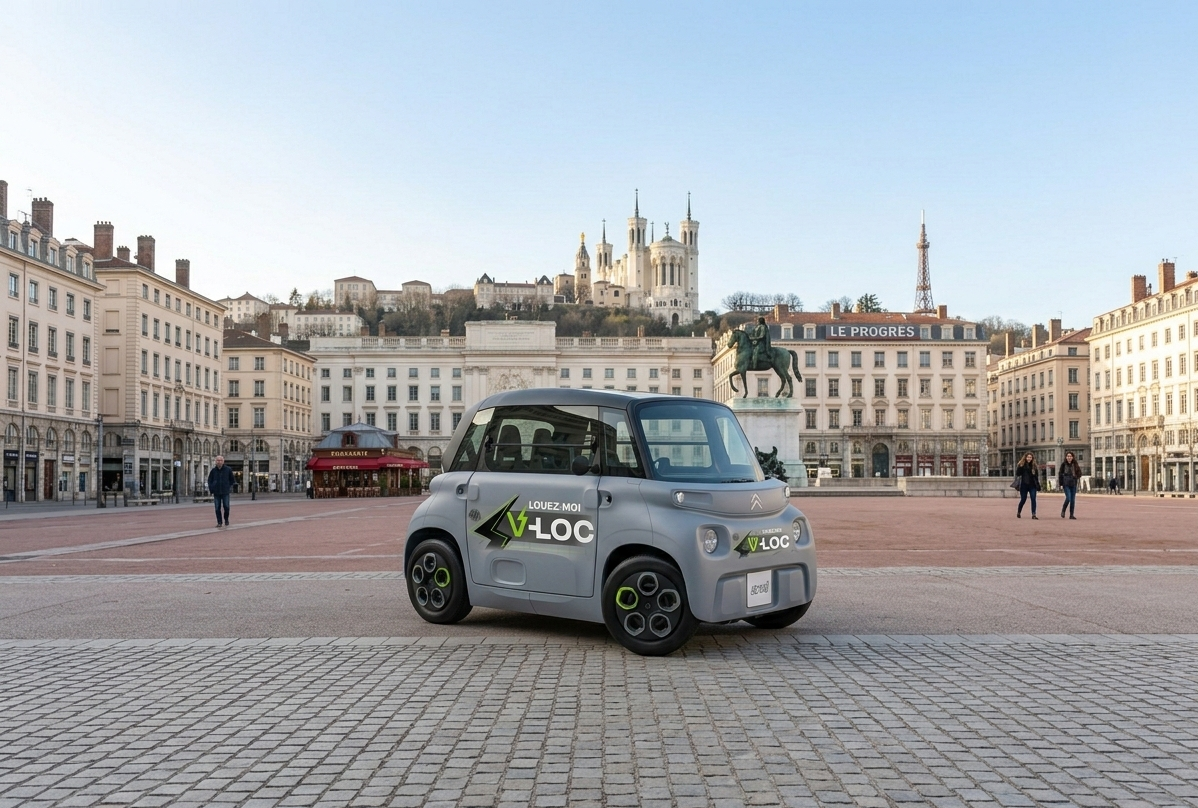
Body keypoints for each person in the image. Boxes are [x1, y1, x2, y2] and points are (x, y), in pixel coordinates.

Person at [208, 455, 235, 528]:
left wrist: (228, 486)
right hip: (216, 492)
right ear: (215, 461)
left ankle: (226, 519)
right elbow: (210, 480)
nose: (219, 462)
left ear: (223, 461)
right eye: (218, 460)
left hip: (225, 491)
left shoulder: (228, 469)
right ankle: (219, 522)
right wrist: (212, 488)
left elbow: (232, 479)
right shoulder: (213, 471)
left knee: (226, 507)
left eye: (220, 460)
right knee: (217, 508)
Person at [1014, 452, 1040, 519]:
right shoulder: (1022, 465)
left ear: (1032, 458)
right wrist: (1020, 466)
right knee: (1023, 499)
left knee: (1033, 499)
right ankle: (1019, 512)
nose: (1029, 459)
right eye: (1028, 457)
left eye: (1030, 457)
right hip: (1024, 485)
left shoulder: (1034, 466)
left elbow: (1036, 477)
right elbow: (1018, 474)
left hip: (1032, 485)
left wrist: (1038, 485)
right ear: (1025, 458)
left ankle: (1033, 514)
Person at [1059, 451, 1081, 519]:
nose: (1069, 457)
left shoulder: (1075, 464)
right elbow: (1060, 474)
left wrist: (1076, 477)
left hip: (1073, 483)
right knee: (1068, 498)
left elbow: (1079, 473)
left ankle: (1071, 514)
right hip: (1066, 483)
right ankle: (1063, 510)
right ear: (1066, 457)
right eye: (1068, 456)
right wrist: (1061, 483)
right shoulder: (1063, 464)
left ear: (1072, 457)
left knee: (1073, 500)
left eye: (1070, 456)